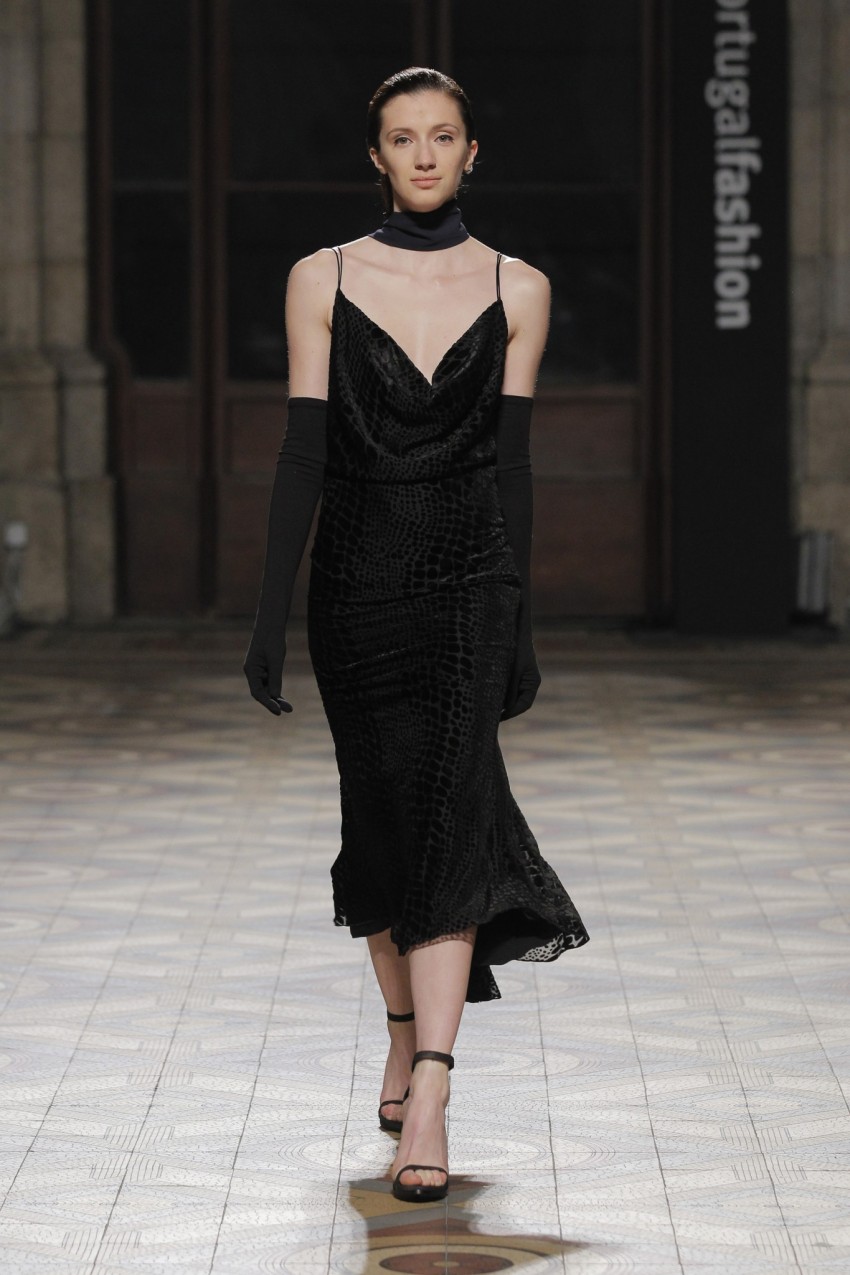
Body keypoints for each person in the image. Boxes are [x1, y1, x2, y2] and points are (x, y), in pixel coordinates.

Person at [244, 67, 589, 1204]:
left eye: (444, 136)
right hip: (355, 584)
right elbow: (303, 451)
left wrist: (519, 616)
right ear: (377, 155)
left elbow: (512, 468)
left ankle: (431, 1089)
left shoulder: (519, 287)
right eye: (404, 138)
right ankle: (401, 1032)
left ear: (472, 152)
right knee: (384, 820)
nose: (426, 155)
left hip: (466, 583)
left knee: (448, 817)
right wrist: (268, 611)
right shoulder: (325, 278)